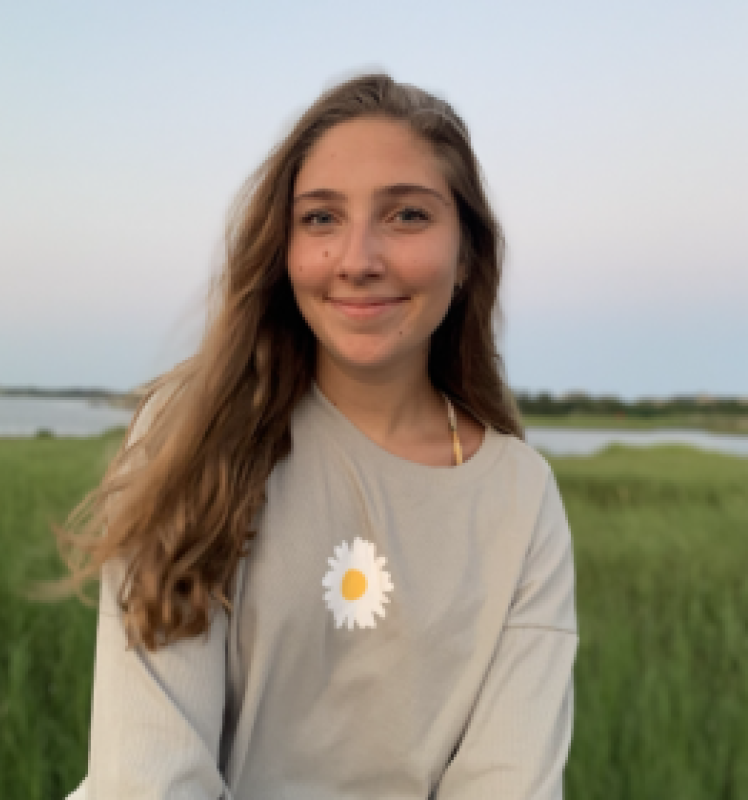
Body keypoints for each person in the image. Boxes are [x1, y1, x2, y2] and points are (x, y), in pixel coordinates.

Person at [58, 73, 578, 799]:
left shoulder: (521, 498)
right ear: (284, 249)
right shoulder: (197, 431)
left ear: (466, 256)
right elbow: (148, 777)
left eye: (406, 216)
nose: (358, 259)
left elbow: (509, 782)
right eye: (321, 219)